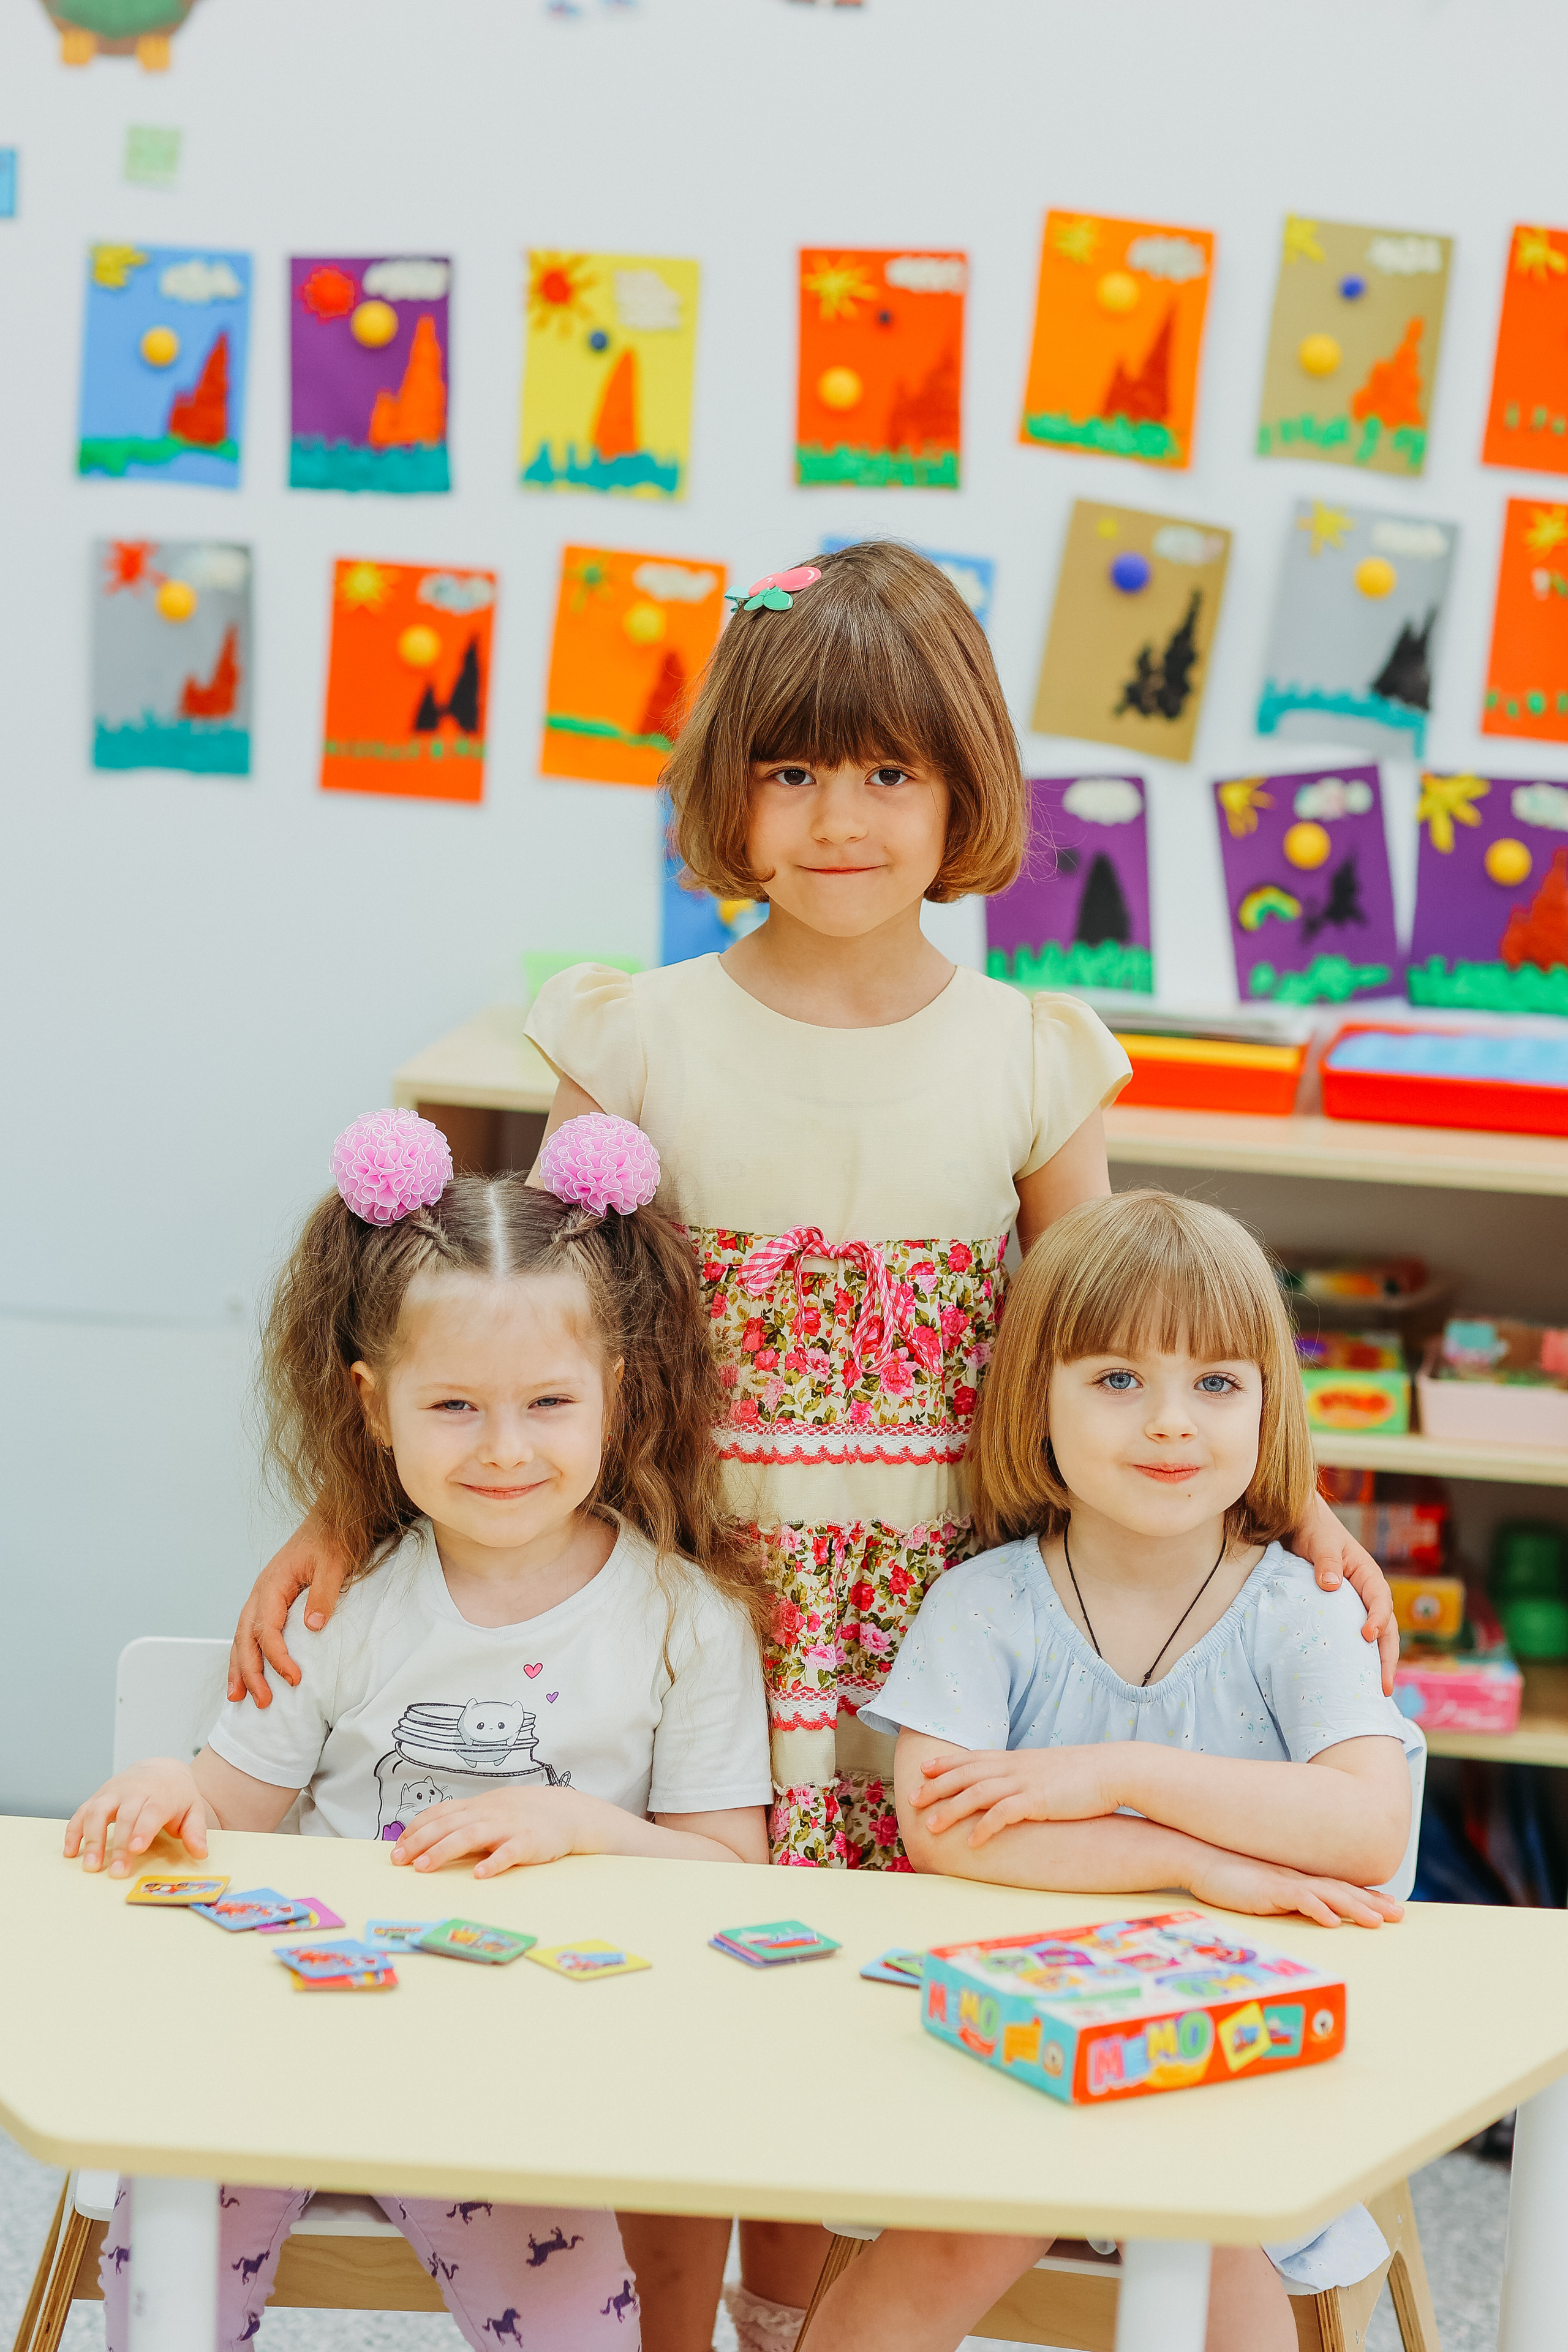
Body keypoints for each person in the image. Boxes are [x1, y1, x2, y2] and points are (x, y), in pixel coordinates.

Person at [217, 543, 1397, 2352]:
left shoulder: (1031, 1052)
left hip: (931, 1608)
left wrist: (1296, 1506)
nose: (839, 817)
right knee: (699, 2010)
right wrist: (340, 1511)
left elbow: (1118, 1333)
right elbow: (516, 1328)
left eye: (888, 773)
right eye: (792, 771)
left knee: (870, 2004)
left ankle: (807, 2323)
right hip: (695, 1596)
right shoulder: (643, 1030)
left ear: (962, 794)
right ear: (729, 796)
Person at [64, 1109, 772, 2352]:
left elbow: (730, 1874)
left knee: (584, 2324)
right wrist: (166, 1790)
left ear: (616, 1393)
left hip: (525, 2074)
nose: (504, 1450)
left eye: (548, 1402)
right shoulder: (345, 1608)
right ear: (375, 1406)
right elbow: (230, 1806)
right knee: (165, 2245)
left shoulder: (686, 1621)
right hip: (302, 2037)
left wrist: (575, 1825)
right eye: (453, 1405)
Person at [804, 1189, 1425, 2352]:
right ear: (1037, 1399)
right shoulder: (986, 1604)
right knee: (973, 2216)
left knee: (1198, 2217)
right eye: (1118, 1380)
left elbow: (1367, 1828)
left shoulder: (1299, 1611)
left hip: (1238, 2048)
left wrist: (1115, 1773)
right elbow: (945, 1829)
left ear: (1266, 1409)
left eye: (1217, 1385)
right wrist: (1196, 1863)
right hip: (1018, 2034)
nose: (1171, 1425)